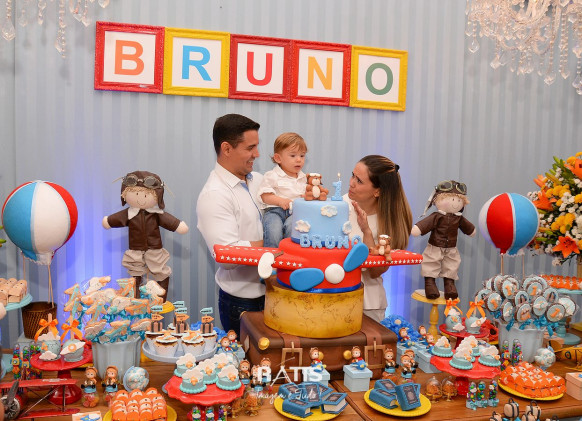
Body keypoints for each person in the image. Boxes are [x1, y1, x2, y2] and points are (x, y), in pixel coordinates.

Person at [196, 113, 265, 336]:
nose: (257, 154)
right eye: (250, 148)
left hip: (274, 296)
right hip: (243, 304)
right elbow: (227, 256)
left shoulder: (260, 181)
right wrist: (274, 247)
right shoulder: (214, 195)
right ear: (226, 149)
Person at [344, 155, 413, 323]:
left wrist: (366, 231)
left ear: (378, 191)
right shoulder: (340, 205)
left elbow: (375, 272)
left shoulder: (388, 223)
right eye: (353, 175)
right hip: (335, 296)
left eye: (359, 181)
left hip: (368, 305)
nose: (351, 183)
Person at [257, 132, 308, 247]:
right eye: (293, 156)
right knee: (273, 230)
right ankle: (272, 255)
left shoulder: (303, 178)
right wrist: (280, 201)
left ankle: (289, 254)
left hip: (295, 213)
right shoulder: (272, 175)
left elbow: (306, 196)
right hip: (275, 211)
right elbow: (265, 196)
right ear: (278, 158)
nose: (299, 160)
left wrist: (308, 197)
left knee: (293, 228)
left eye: (302, 155)